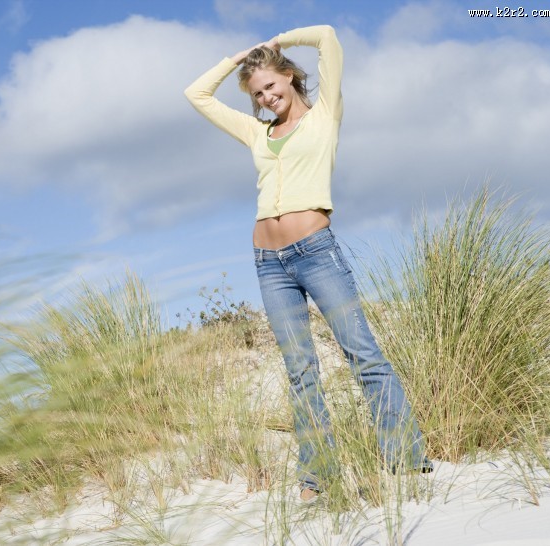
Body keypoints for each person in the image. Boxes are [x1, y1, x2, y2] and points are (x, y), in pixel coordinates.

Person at [184, 25, 431, 501]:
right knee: (300, 370)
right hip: (268, 262)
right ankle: (318, 477)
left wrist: (278, 41)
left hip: (316, 252)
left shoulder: (325, 117)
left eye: (271, 86)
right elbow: (196, 94)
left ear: (290, 78)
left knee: (363, 354)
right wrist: (237, 58)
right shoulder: (256, 132)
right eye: (257, 94)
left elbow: (328, 39)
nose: (266, 98)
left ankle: (407, 458)